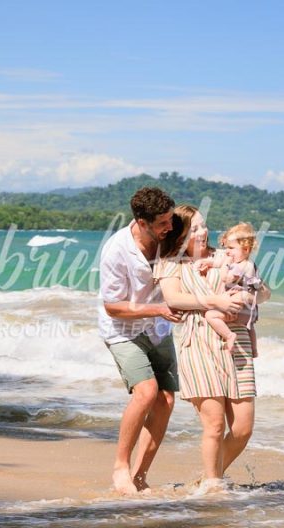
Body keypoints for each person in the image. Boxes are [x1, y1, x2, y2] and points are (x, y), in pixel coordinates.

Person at [154, 205, 271, 487]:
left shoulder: (225, 256)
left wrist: (250, 289)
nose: (203, 232)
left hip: (237, 342)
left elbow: (264, 293)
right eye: (194, 228)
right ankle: (213, 485)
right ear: (180, 232)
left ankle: (205, 479)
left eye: (204, 225)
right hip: (198, 342)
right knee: (215, 425)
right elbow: (173, 298)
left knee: (242, 428)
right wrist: (214, 302)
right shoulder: (171, 262)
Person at [98, 186, 183, 495]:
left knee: (167, 400)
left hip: (158, 329)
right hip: (123, 330)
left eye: (170, 220)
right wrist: (158, 307)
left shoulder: (171, 235)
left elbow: (199, 245)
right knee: (146, 393)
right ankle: (121, 466)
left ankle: (139, 474)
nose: (169, 227)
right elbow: (113, 306)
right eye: (162, 223)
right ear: (142, 222)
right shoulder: (116, 250)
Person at [194, 222, 264, 356]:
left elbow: (226, 278)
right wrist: (208, 263)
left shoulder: (244, 266)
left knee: (211, 315)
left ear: (246, 249)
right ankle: (254, 349)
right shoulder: (241, 262)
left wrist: (225, 265)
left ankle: (229, 335)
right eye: (226, 247)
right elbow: (218, 262)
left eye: (231, 248)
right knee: (250, 328)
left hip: (240, 307)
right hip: (249, 310)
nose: (227, 252)